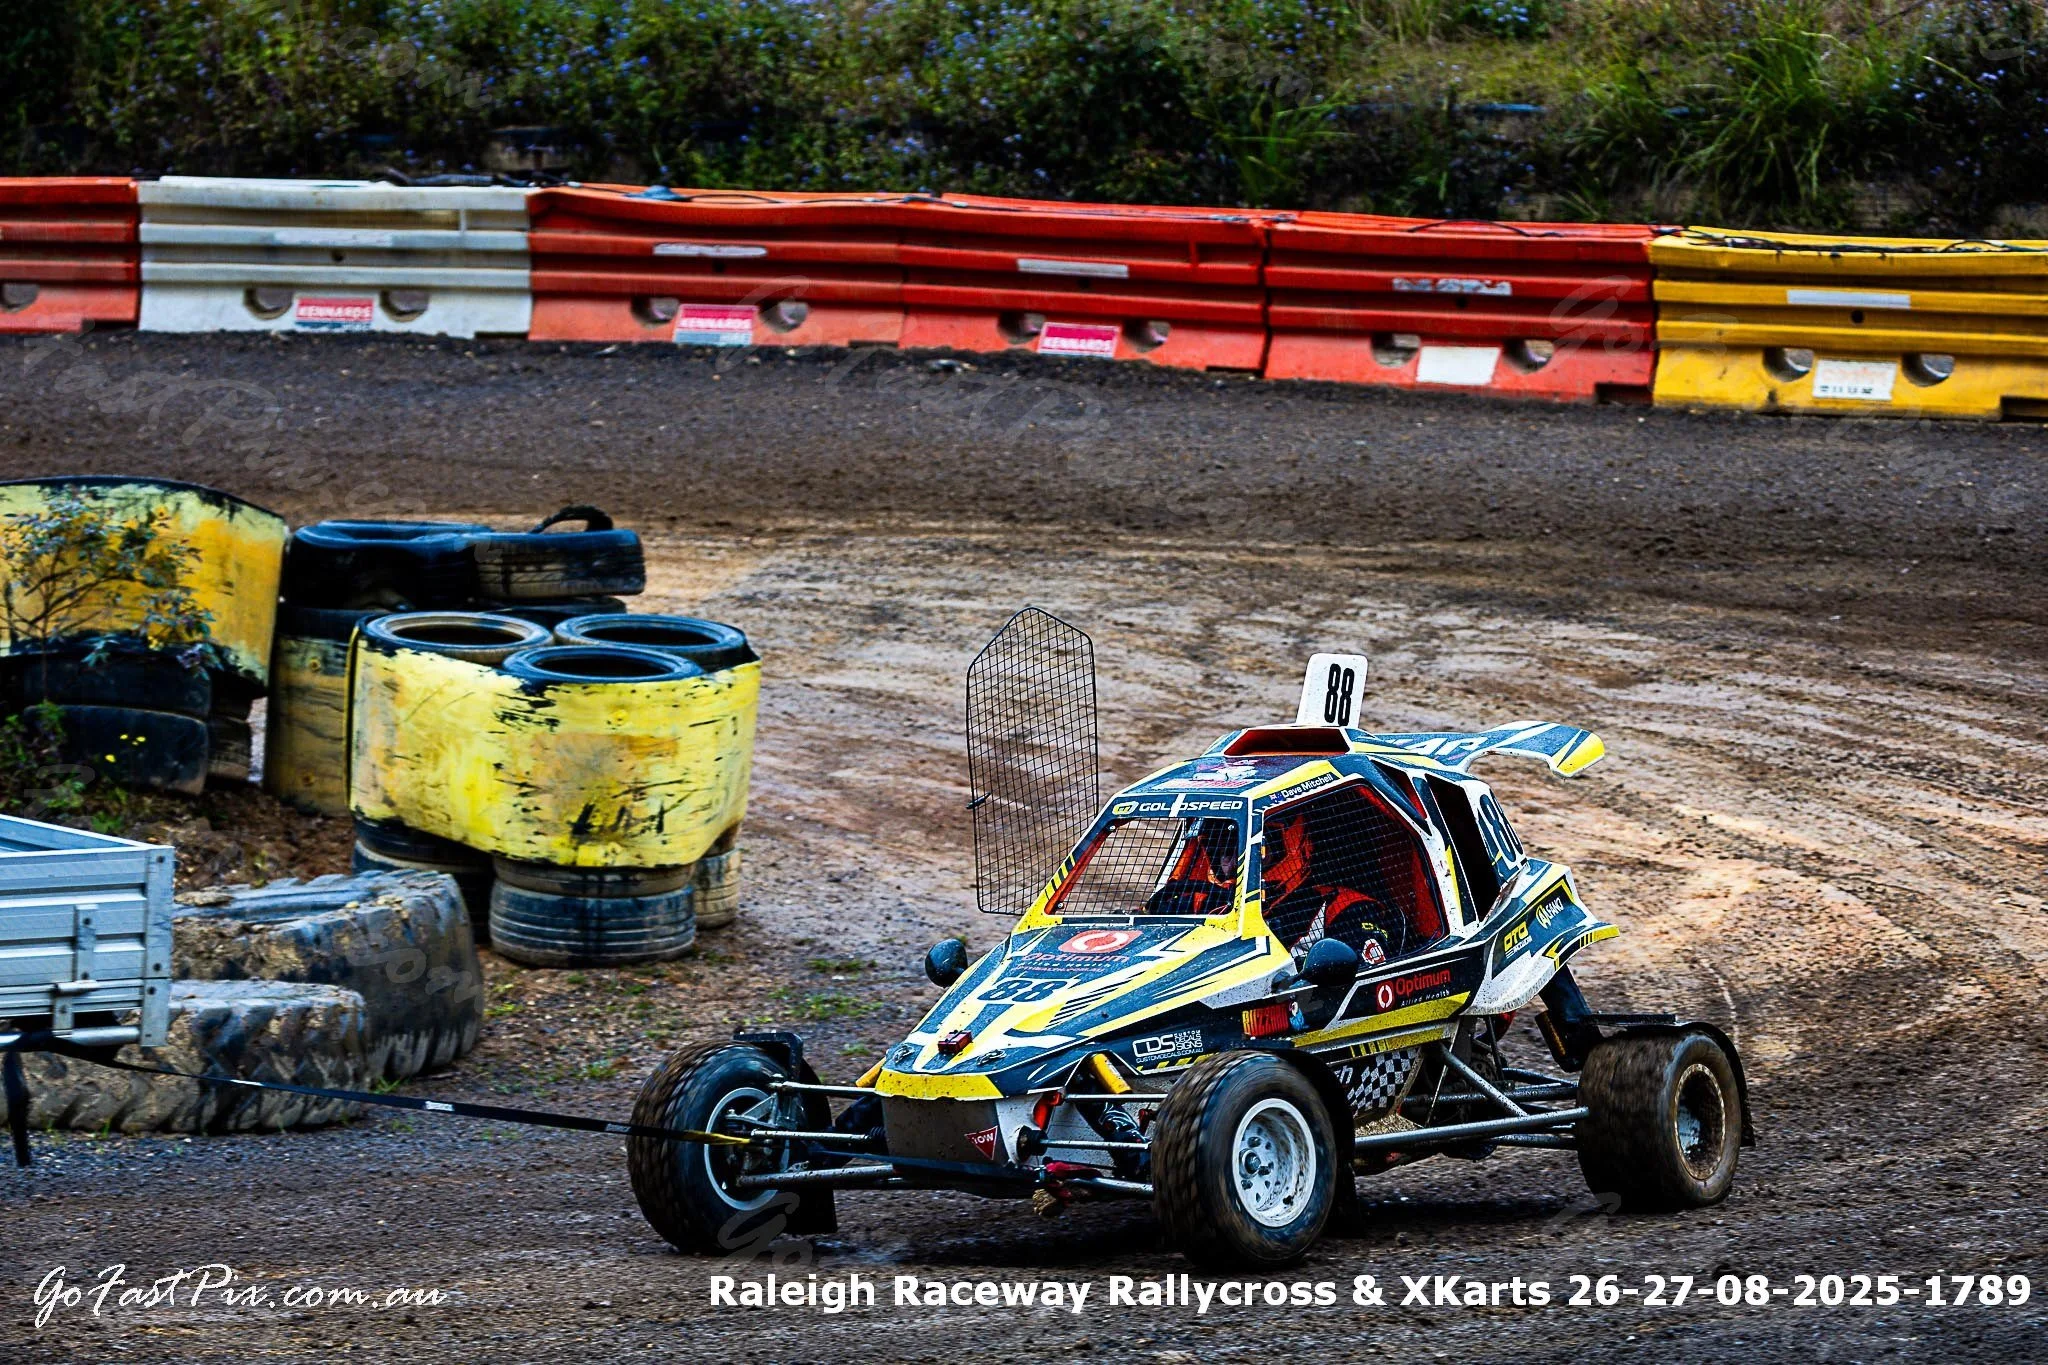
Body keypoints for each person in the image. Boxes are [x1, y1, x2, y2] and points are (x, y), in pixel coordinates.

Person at [1259, 805, 1408, 967]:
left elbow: (1369, 977)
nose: (1234, 866)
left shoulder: (1345, 906)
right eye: (1227, 853)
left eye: (1260, 854)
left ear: (1295, 847)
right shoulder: (1235, 914)